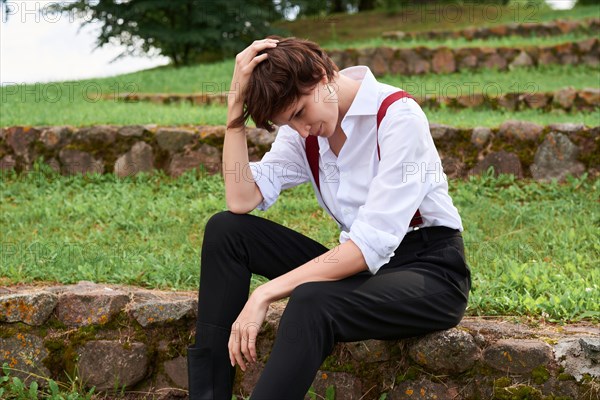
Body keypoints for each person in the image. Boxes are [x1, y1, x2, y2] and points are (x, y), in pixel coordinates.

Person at [187, 36, 471, 400]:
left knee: (311, 301)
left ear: (321, 75)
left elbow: (370, 246)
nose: (302, 129)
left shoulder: (398, 117)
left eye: (300, 113)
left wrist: (265, 294)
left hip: (429, 273)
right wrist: (234, 115)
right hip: (362, 269)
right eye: (289, 122)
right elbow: (241, 199)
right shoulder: (303, 133)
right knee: (226, 230)